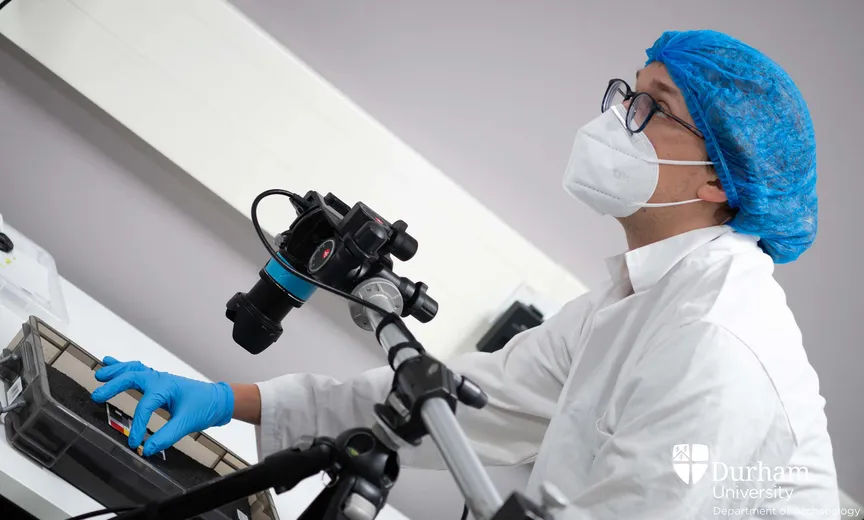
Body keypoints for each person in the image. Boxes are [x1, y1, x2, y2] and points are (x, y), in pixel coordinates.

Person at [91, 30, 839, 518]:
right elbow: (446, 402)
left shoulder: (719, 345)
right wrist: (231, 401)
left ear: (718, 179)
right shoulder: (634, 296)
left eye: (654, 107)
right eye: (627, 92)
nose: (620, 118)